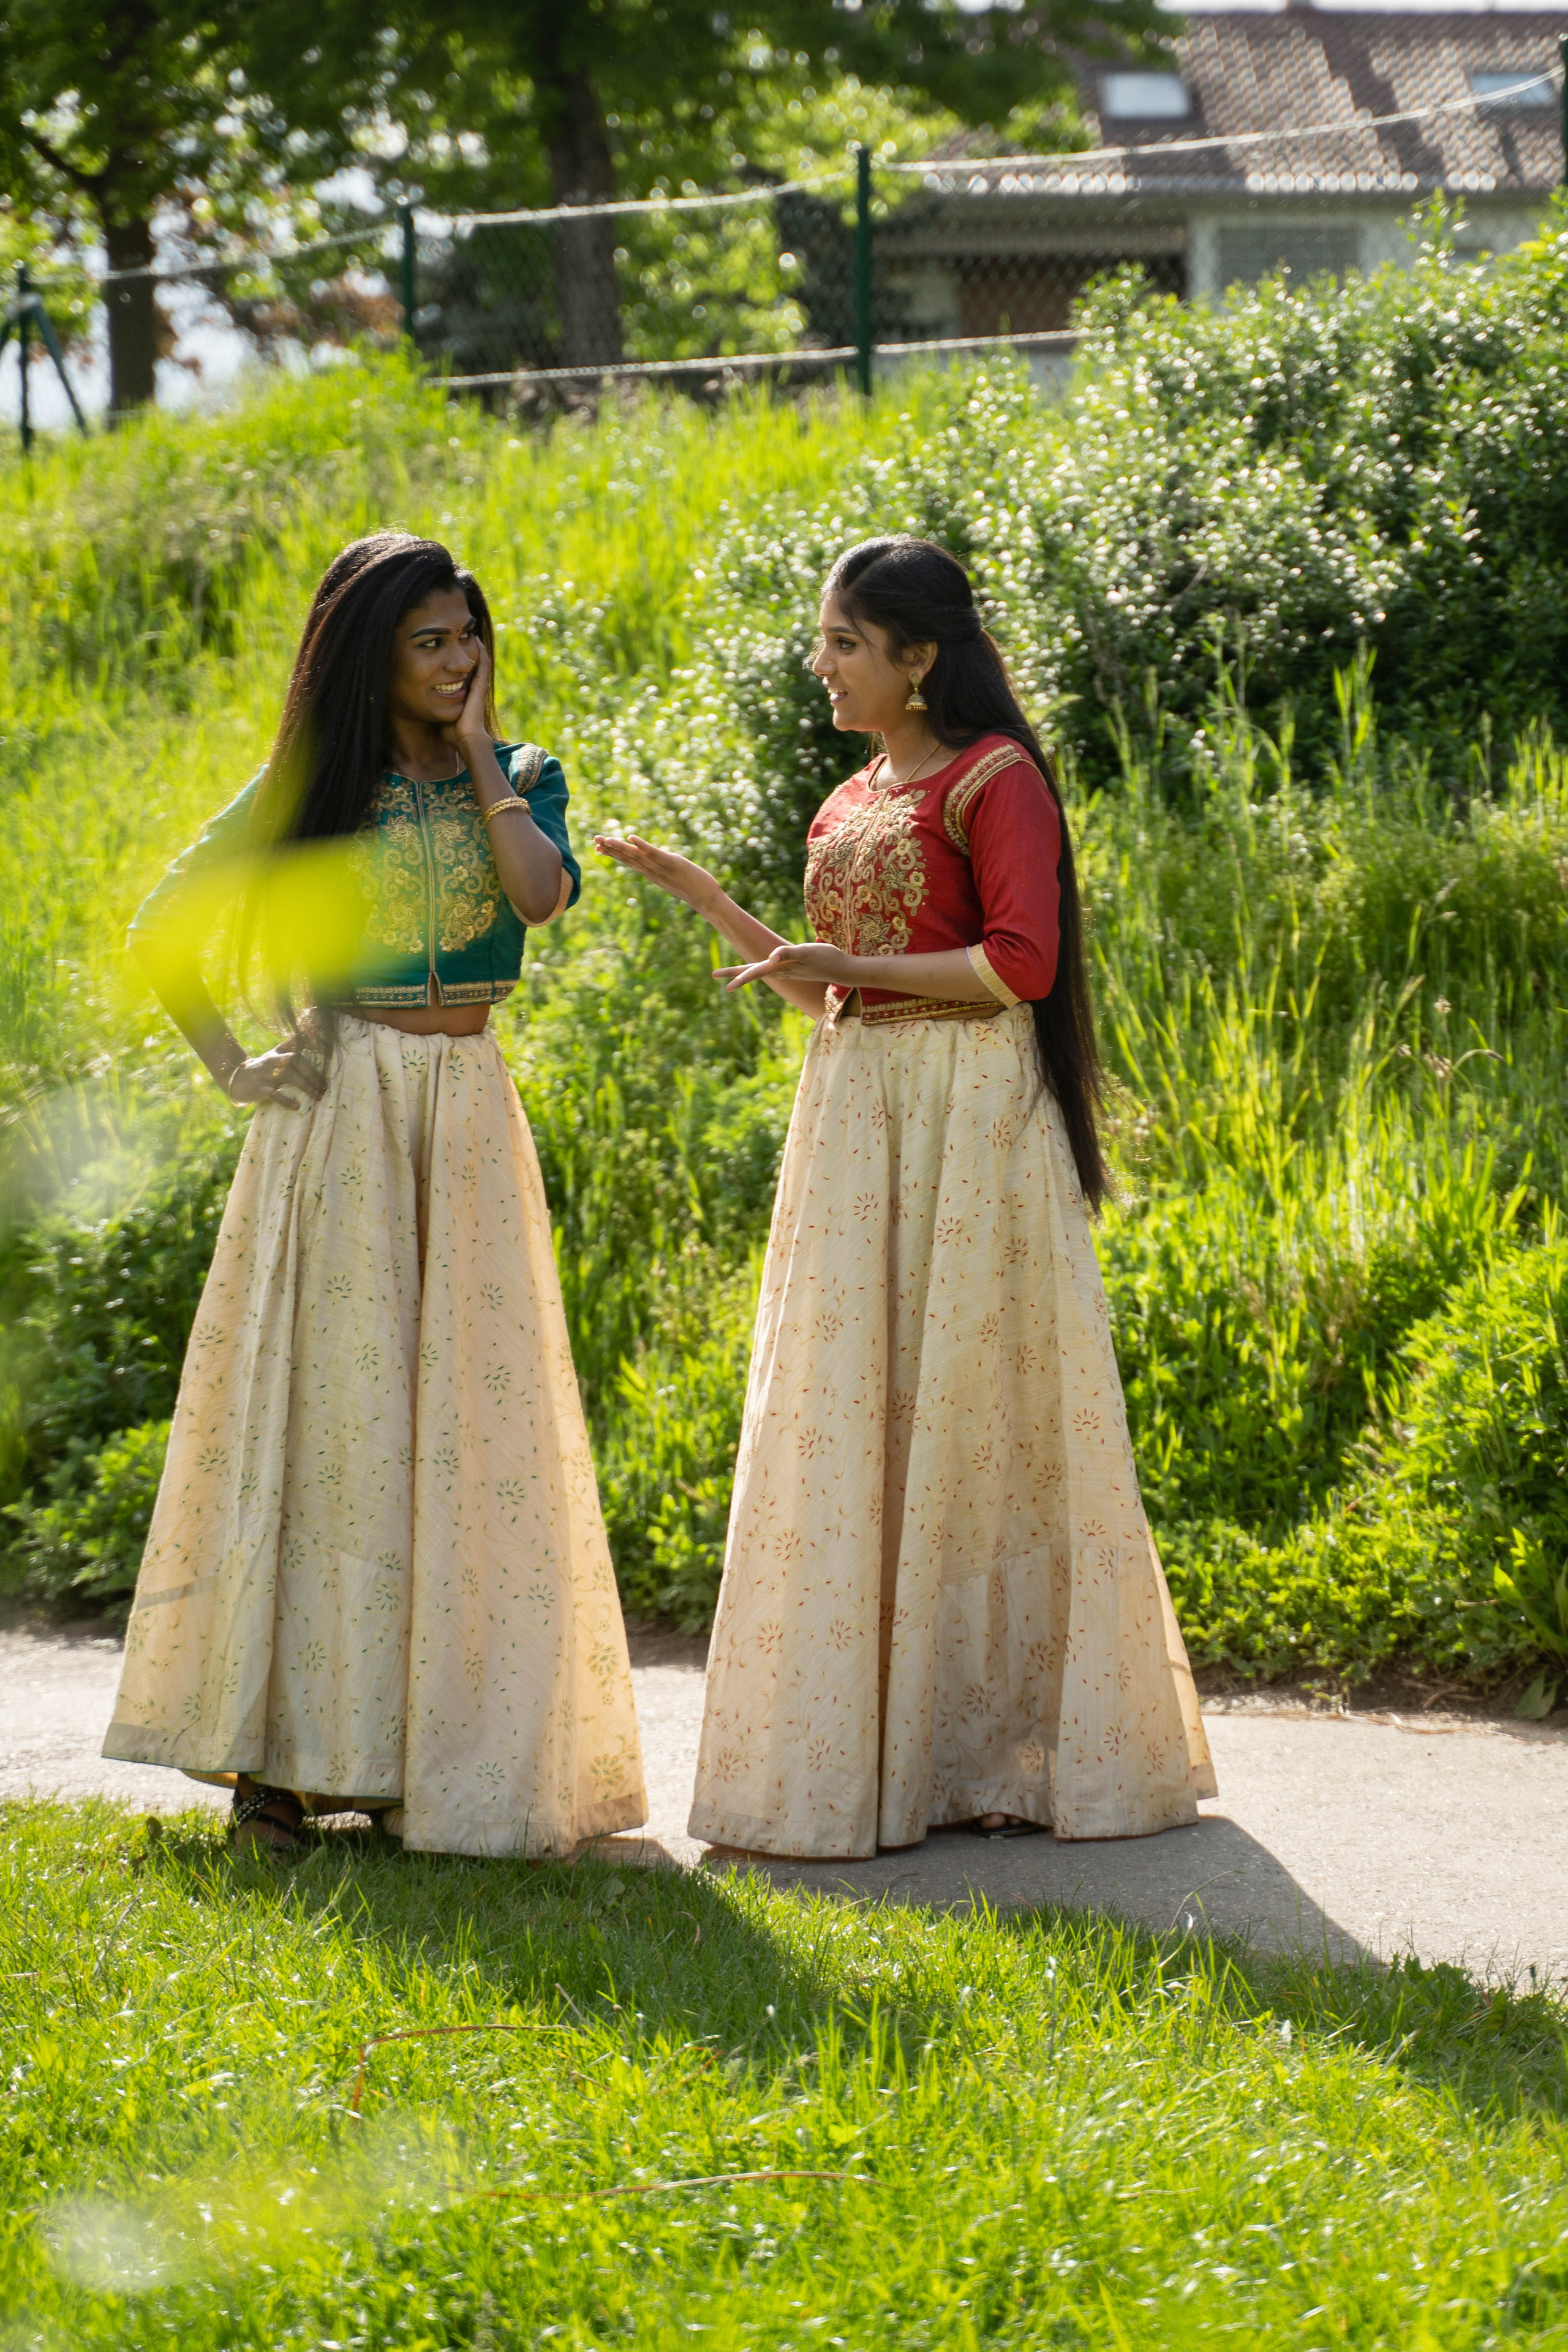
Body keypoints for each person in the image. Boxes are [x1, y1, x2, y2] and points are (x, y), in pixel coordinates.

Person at [597, 535, 1213, 1860]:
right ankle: (890, 1743)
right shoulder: (846, 797)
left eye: (840, 641)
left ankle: (997, 1748)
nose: (817, 662)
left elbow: (1021, 965)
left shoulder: (996, 783)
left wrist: (839, 967)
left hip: (970, 1119)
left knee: (980, 1418)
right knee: (858, 1414)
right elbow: (832, 983)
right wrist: (704, 897)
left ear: (916, 657)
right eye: (823, 639)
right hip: (860, 1117)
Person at [104, 532, 646, 1860]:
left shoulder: (524, 779)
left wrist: (477, 759)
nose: (458, 660)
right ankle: (277, 1772)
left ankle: (435, 1759)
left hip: (465, 1120)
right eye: (429, 642)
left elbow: (539, 898)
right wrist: (233, 1063)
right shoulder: (313, 789)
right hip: (340, 1123)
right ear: (372, 655)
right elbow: (161, 921)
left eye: (469, 636)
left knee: (470, 1429)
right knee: (332, 1434)